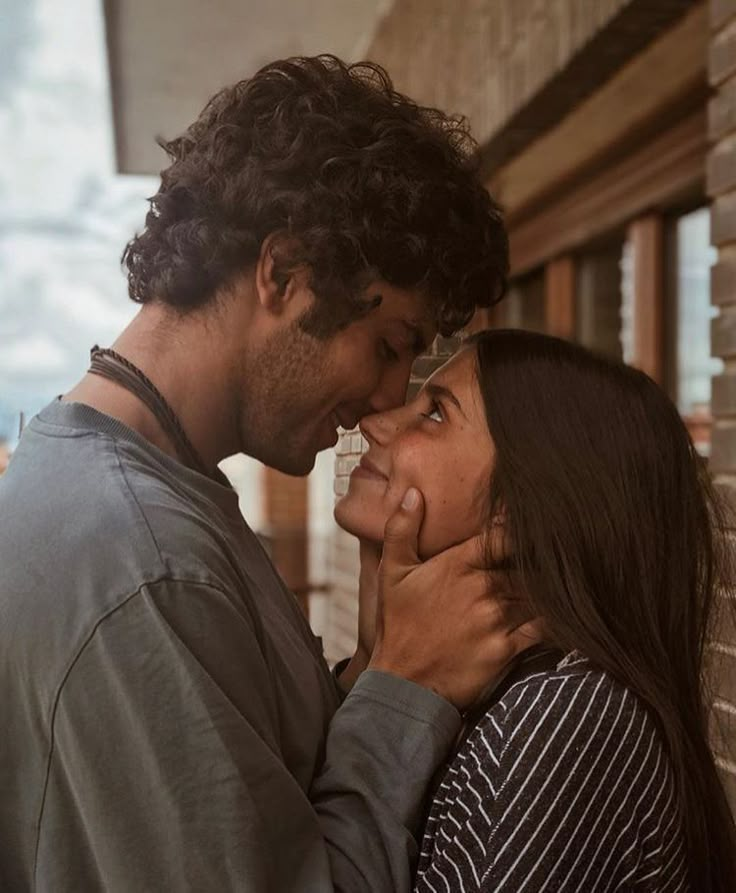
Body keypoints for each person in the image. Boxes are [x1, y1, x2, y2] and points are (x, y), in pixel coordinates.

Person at [0, 56, 536, 892]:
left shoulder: (148, 489)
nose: (386, 401)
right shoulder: (145, 564)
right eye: (390, 346)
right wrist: (408, 684)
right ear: (282, 273)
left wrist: (374, 663)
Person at [335, 329, 736, 892]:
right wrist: (372, 663)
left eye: (435, 415)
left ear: (523, 509)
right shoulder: (482, 686)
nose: (375, 423)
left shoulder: (561, 716)